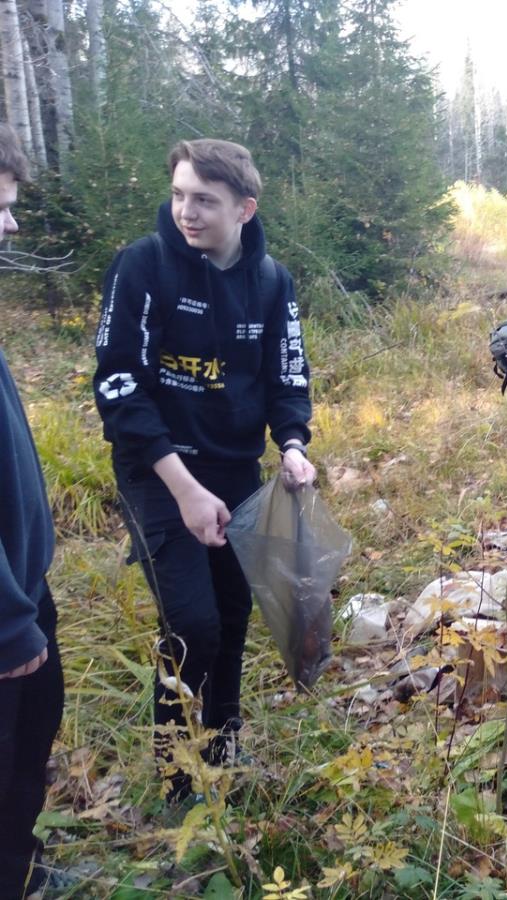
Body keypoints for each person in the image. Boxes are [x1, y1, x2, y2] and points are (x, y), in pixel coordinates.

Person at [94, 139, 316, 801]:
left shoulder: (272, 282)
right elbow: (117, 386)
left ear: (244, 208)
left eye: (205, 201)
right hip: (157, 472)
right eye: (179, 195)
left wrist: (295, 445)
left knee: (233, 613)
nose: (187, 212)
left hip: (235, 468)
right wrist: (185, 490)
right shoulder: (144, 266)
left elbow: (287, 376)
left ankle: (225, 745)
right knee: (192, 624)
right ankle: (176, 776)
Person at [0, 125, 65, 899]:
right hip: (4, 612)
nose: (11, 224)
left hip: (23, 589)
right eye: (2, 207)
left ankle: (20, 862)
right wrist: (8, 621)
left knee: (31, 740)